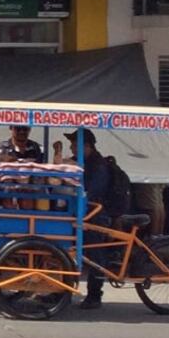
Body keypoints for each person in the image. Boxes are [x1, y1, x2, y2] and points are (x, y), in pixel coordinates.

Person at [60, 128, 112, 310]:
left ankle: (95, 295)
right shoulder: (83, 162)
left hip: (96, 216)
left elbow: (92, 194)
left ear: (87, 146)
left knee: (95, 257)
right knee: (69, 250)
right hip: (83, 214)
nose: (72, 148)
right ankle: (59, 290)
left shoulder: (98, 166)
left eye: (75, 145)